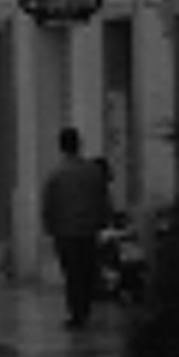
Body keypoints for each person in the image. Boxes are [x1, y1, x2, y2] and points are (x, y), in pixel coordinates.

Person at [40, 124, 116, 327]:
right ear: (79, 144)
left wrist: (49, 226)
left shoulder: (55, 175)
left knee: (72, 273)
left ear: (61, 146)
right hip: (88, 230)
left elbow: (48, 204)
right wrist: (104, 220)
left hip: (65, 231)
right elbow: (103, 198)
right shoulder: (93, 171)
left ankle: (77, 312)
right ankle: (84, 308)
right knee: (87, 270)